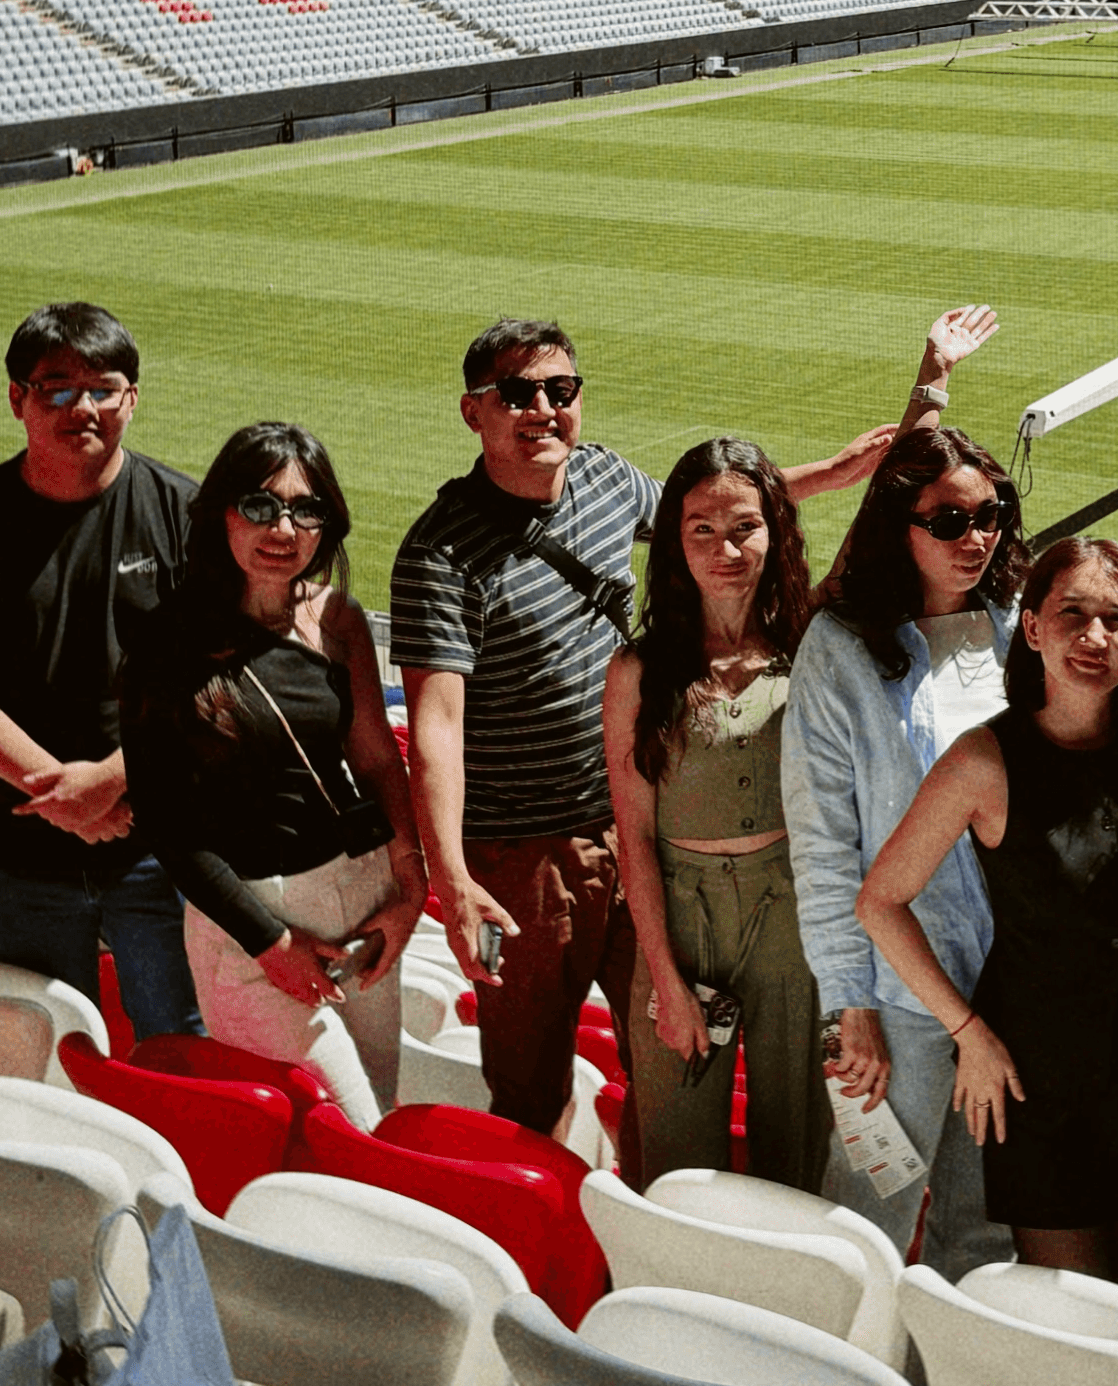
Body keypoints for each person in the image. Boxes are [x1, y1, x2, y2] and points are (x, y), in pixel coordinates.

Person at [393, 310, 987, 1139]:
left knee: (663, 1071)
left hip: (645, 837)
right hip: (528, 858)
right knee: (530, 1087)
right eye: (516, 393)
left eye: (558, 390)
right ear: (473, 410)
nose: (541, 409)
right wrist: (451, 877)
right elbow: (436, 725)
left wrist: (840, 467)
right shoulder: (439, 552)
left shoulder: (600, 477)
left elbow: (713, 509)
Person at [856, 533, 1118, 1282]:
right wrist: (967, 1030)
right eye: (1070, 612)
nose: (1092, 636)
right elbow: (880, 901)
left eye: (1116, 618)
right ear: (1031, 627)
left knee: (1115, 1287)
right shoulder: (982, 762)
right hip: (1037, 1079)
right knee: (1068, 1300)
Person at [118, 421, 427, 1124]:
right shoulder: (164, 642)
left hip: (358, 893)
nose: (282, 527)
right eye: (259, 505)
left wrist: (410, 884)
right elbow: (166, 824)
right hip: (248, 919)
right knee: (353, 1132)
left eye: (305, 508)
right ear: (221, 511)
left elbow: (376, 758)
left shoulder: (338, 619)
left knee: (380, 1106)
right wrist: (271, 943)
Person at [0, 300, 201, 1040]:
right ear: (18, 399)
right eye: (58, 390)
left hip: (160, 842)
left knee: (179, 1046)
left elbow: (213, 682)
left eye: (103, 388)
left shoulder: (186, 514)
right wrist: (66, 795)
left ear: (132, 398)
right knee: (40, 1047)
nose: (84, 408)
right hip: (21, 846)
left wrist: (109, 780)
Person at [784, 417, 1031, 1276]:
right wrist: (848, 1001)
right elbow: (823, 841)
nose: (976, 538)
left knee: (983, 1231)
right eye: (949, 521)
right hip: (892, 997)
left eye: (990, 514)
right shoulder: (838, 648)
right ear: (901, 526)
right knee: (867, 1219)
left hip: (1008, 986)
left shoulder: (1010, 627)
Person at [602, 436, 830, 1191]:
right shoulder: (638, 669)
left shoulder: (810, 650)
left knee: (796, 1139)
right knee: (675, 1146)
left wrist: (929, 391)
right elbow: (632, 836)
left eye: (744, 527)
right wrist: (665, 981)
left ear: (775, 531)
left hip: (788, 913)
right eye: (701, 528)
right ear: (674, 541)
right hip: (681, 914)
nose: (725, 548)